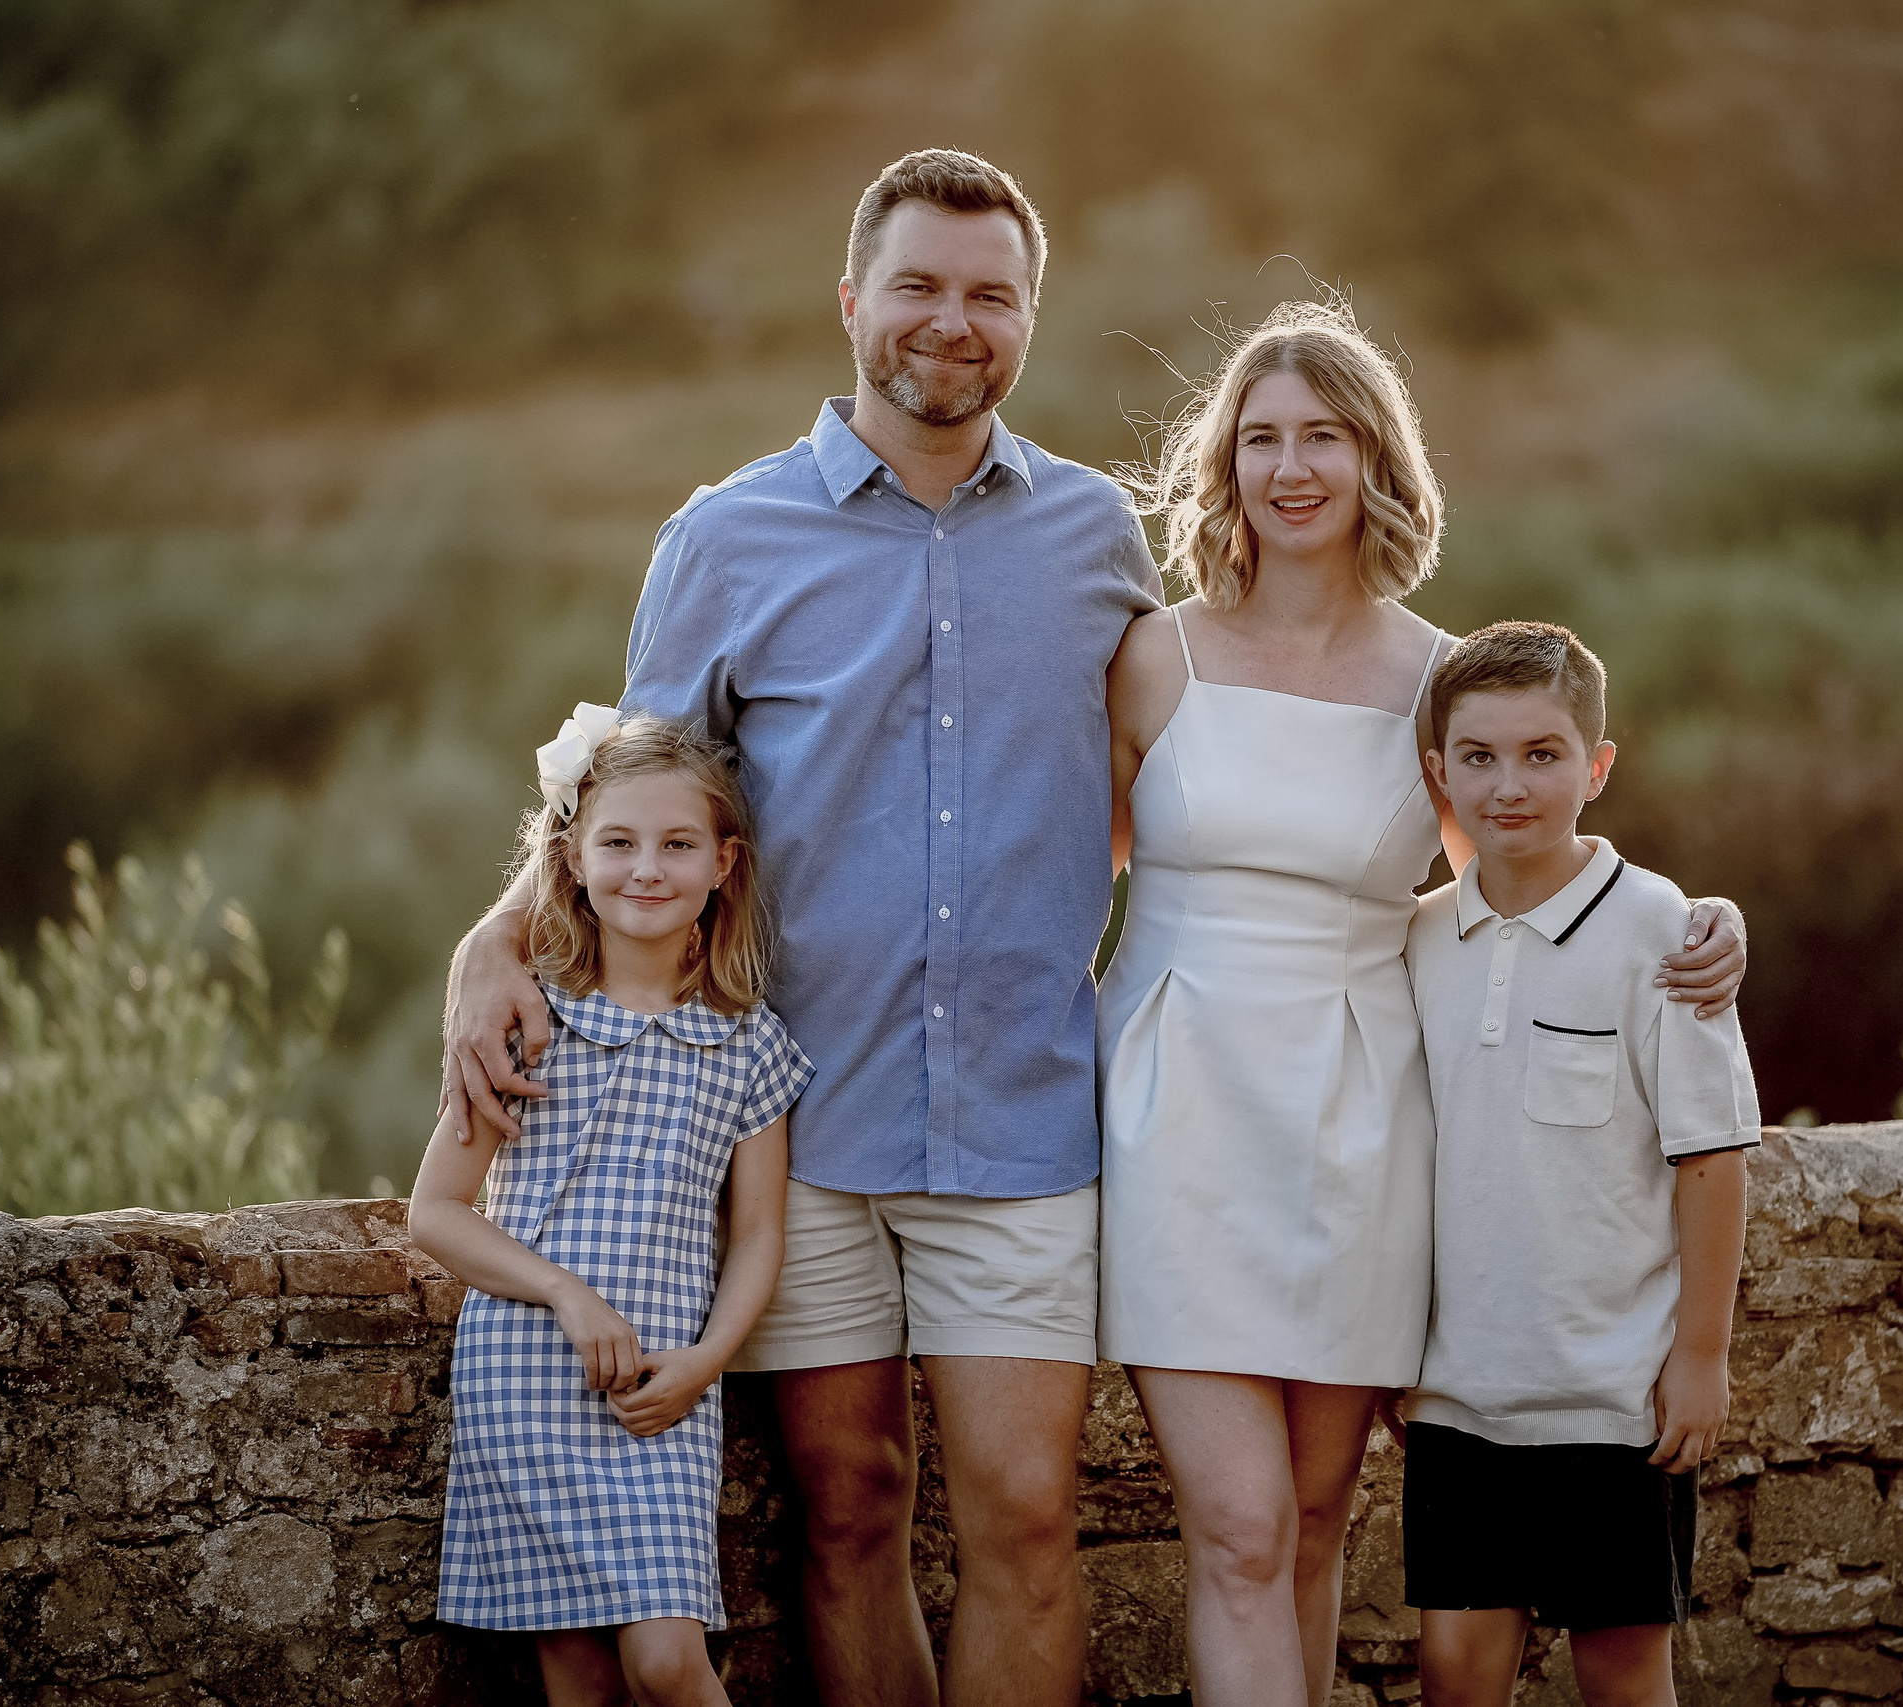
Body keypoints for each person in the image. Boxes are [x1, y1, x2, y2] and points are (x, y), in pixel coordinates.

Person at [440, 151, 1160, 1706]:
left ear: (1031, 316)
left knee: (1030, 1515)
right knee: (848, 1507)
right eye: (918, 284)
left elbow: (1199, 792)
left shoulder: (1103, 537)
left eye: (991, 294)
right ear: (852, 300)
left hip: (1030, 1114)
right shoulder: (724, 537)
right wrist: (494, 932)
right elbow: (619, 794)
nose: (951, 322)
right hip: (794, 1124)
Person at [1099, 305, 1748, 1706]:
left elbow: (1516, 876)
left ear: (1375, 458)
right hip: (1177, 1102)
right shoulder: (1152, 656)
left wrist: (1703, 919)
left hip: (1357, 1115)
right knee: (1242, 1524)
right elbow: (1047, 879)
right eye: (1260, 437)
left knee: (1319, 1520)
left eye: (1321, 434)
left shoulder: (1432, 682)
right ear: (1224, 468)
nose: (1291, 466)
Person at [413, 707, 809, 1707]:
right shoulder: (526, 1022)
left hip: (660, 1391)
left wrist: (706, 1364)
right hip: (526, 1378)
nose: (646, 868)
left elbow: (759, 1232)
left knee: (668, 1662)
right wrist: (566, 1297)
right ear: (572, 858)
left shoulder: (749, 1045)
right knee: (577, 1677)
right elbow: (438, 1213)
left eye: (678, 845)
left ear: (723, 863)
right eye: (618, 843)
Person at [1400, 622, 1758, 1707]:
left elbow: (1711, 1160)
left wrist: (1699, 1356)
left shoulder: (1663, 934)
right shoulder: (1409, 942)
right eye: (1478, 757)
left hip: (1614, 1406)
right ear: (1438, 772)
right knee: (1455, 1675)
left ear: (1595, 768)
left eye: (1542, 754)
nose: (1508, 785)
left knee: (1620, 1676)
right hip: (1457, 1400)